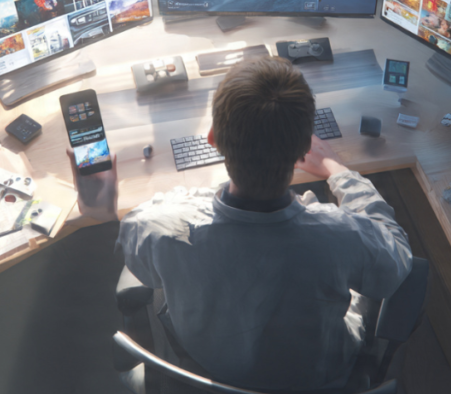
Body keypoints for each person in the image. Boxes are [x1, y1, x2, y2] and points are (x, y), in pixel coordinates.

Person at [68, 57, 413, 391]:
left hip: (205, 367)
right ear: (304, 148)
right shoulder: (341, 237)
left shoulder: (158, 227)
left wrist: (102, 213)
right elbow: (396, 260)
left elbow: (130, 252)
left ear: (213, 139)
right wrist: (340, 171)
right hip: (317, 378)